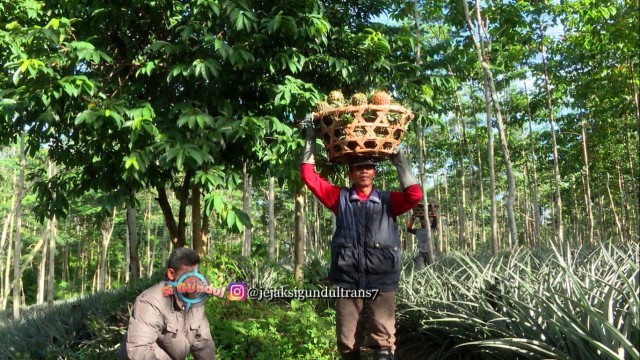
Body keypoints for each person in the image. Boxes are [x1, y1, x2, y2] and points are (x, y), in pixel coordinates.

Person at [300, 126, 422, 360]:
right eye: (358, 169)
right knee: (347, 342)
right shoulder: (340, 198)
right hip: (348, 279)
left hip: (381, 278)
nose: (363, 172)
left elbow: (414, 195)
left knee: (383, 341)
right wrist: (310, 139)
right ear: (350, 174)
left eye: (368, 168)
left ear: (374, 172)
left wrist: (399, 159)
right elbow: (309, 177)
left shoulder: (388, 201)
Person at [119, 247, 216, 360]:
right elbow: (138, 351)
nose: (194, 280)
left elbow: (204, 345)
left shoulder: (195, 302)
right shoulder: (151, 302)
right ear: (171, 274)